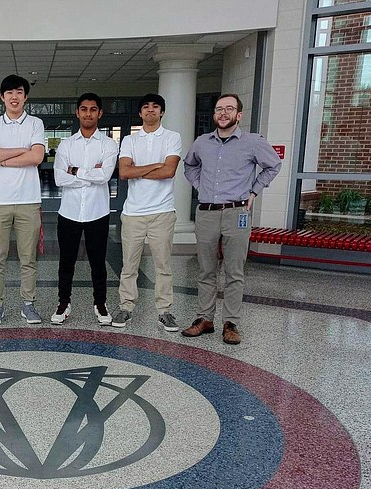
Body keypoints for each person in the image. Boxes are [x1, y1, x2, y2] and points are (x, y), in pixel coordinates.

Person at [182, 93, 281, 344]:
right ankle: (205, 318)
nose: (223, 113)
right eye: (219, 109)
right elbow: (189, 166)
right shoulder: (202, 142)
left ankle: (231, 323)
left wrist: (254, 191)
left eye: (229, 109)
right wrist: (199, 186)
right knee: (206, 270)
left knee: (234, 271)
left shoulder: (253, 142)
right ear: (214, 114)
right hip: (206, 212)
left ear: (239, 114)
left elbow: (273, 165)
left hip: (237, 213)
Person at [111, 93, 182, 332]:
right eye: (145, 107)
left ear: (162, 112)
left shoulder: (173, 137)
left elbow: (169, 171)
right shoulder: (130, 140)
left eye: (155, 107)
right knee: (128, 265)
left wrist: (138, 169)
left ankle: (165, 311)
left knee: (163, 265)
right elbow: (123, 172)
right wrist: (154, 165)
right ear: (140, 113)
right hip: (133, 213)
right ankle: (125, 307)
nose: (150, 110)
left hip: (162, 211)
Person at [0, 74, 45, 325]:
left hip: (29, 201)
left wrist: (3, 158)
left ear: (25, 96)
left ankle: (28, 305)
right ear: (2, 97)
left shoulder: (35, 123)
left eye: (19, 92)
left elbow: (37, 157)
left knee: (27, 258)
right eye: (9, 93)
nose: (14, 97)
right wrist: (22, 150)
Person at [51, 93, 118, 325]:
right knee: (65, 262)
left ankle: (100, 304)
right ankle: (63, 303)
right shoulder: (66, 144)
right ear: (77, 112)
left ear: (99, 113)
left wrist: (74, 170)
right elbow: (59, 178)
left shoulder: (108, 144)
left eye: (92, 109)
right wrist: (91, 172)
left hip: (97, 213)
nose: (88, 113)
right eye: (83, 109)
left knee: (98, 262)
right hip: (69, 213)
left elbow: (105, 176)